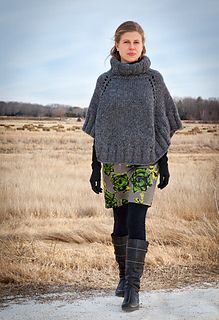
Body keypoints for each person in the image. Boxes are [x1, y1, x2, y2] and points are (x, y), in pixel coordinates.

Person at [82, 21, 182, 312]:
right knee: (120, 222)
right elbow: (99, 126)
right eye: (126, 42)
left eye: (136, 42)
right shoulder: (105, 81)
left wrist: (163, 161)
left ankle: (133, 292)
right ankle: (124, 277)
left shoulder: (154, 80)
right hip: (112, 160)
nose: (131, 47)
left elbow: (160, 123)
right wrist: (93, 166)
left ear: (143, 45)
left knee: (137, 220)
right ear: (116, 45)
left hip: (146, 161)